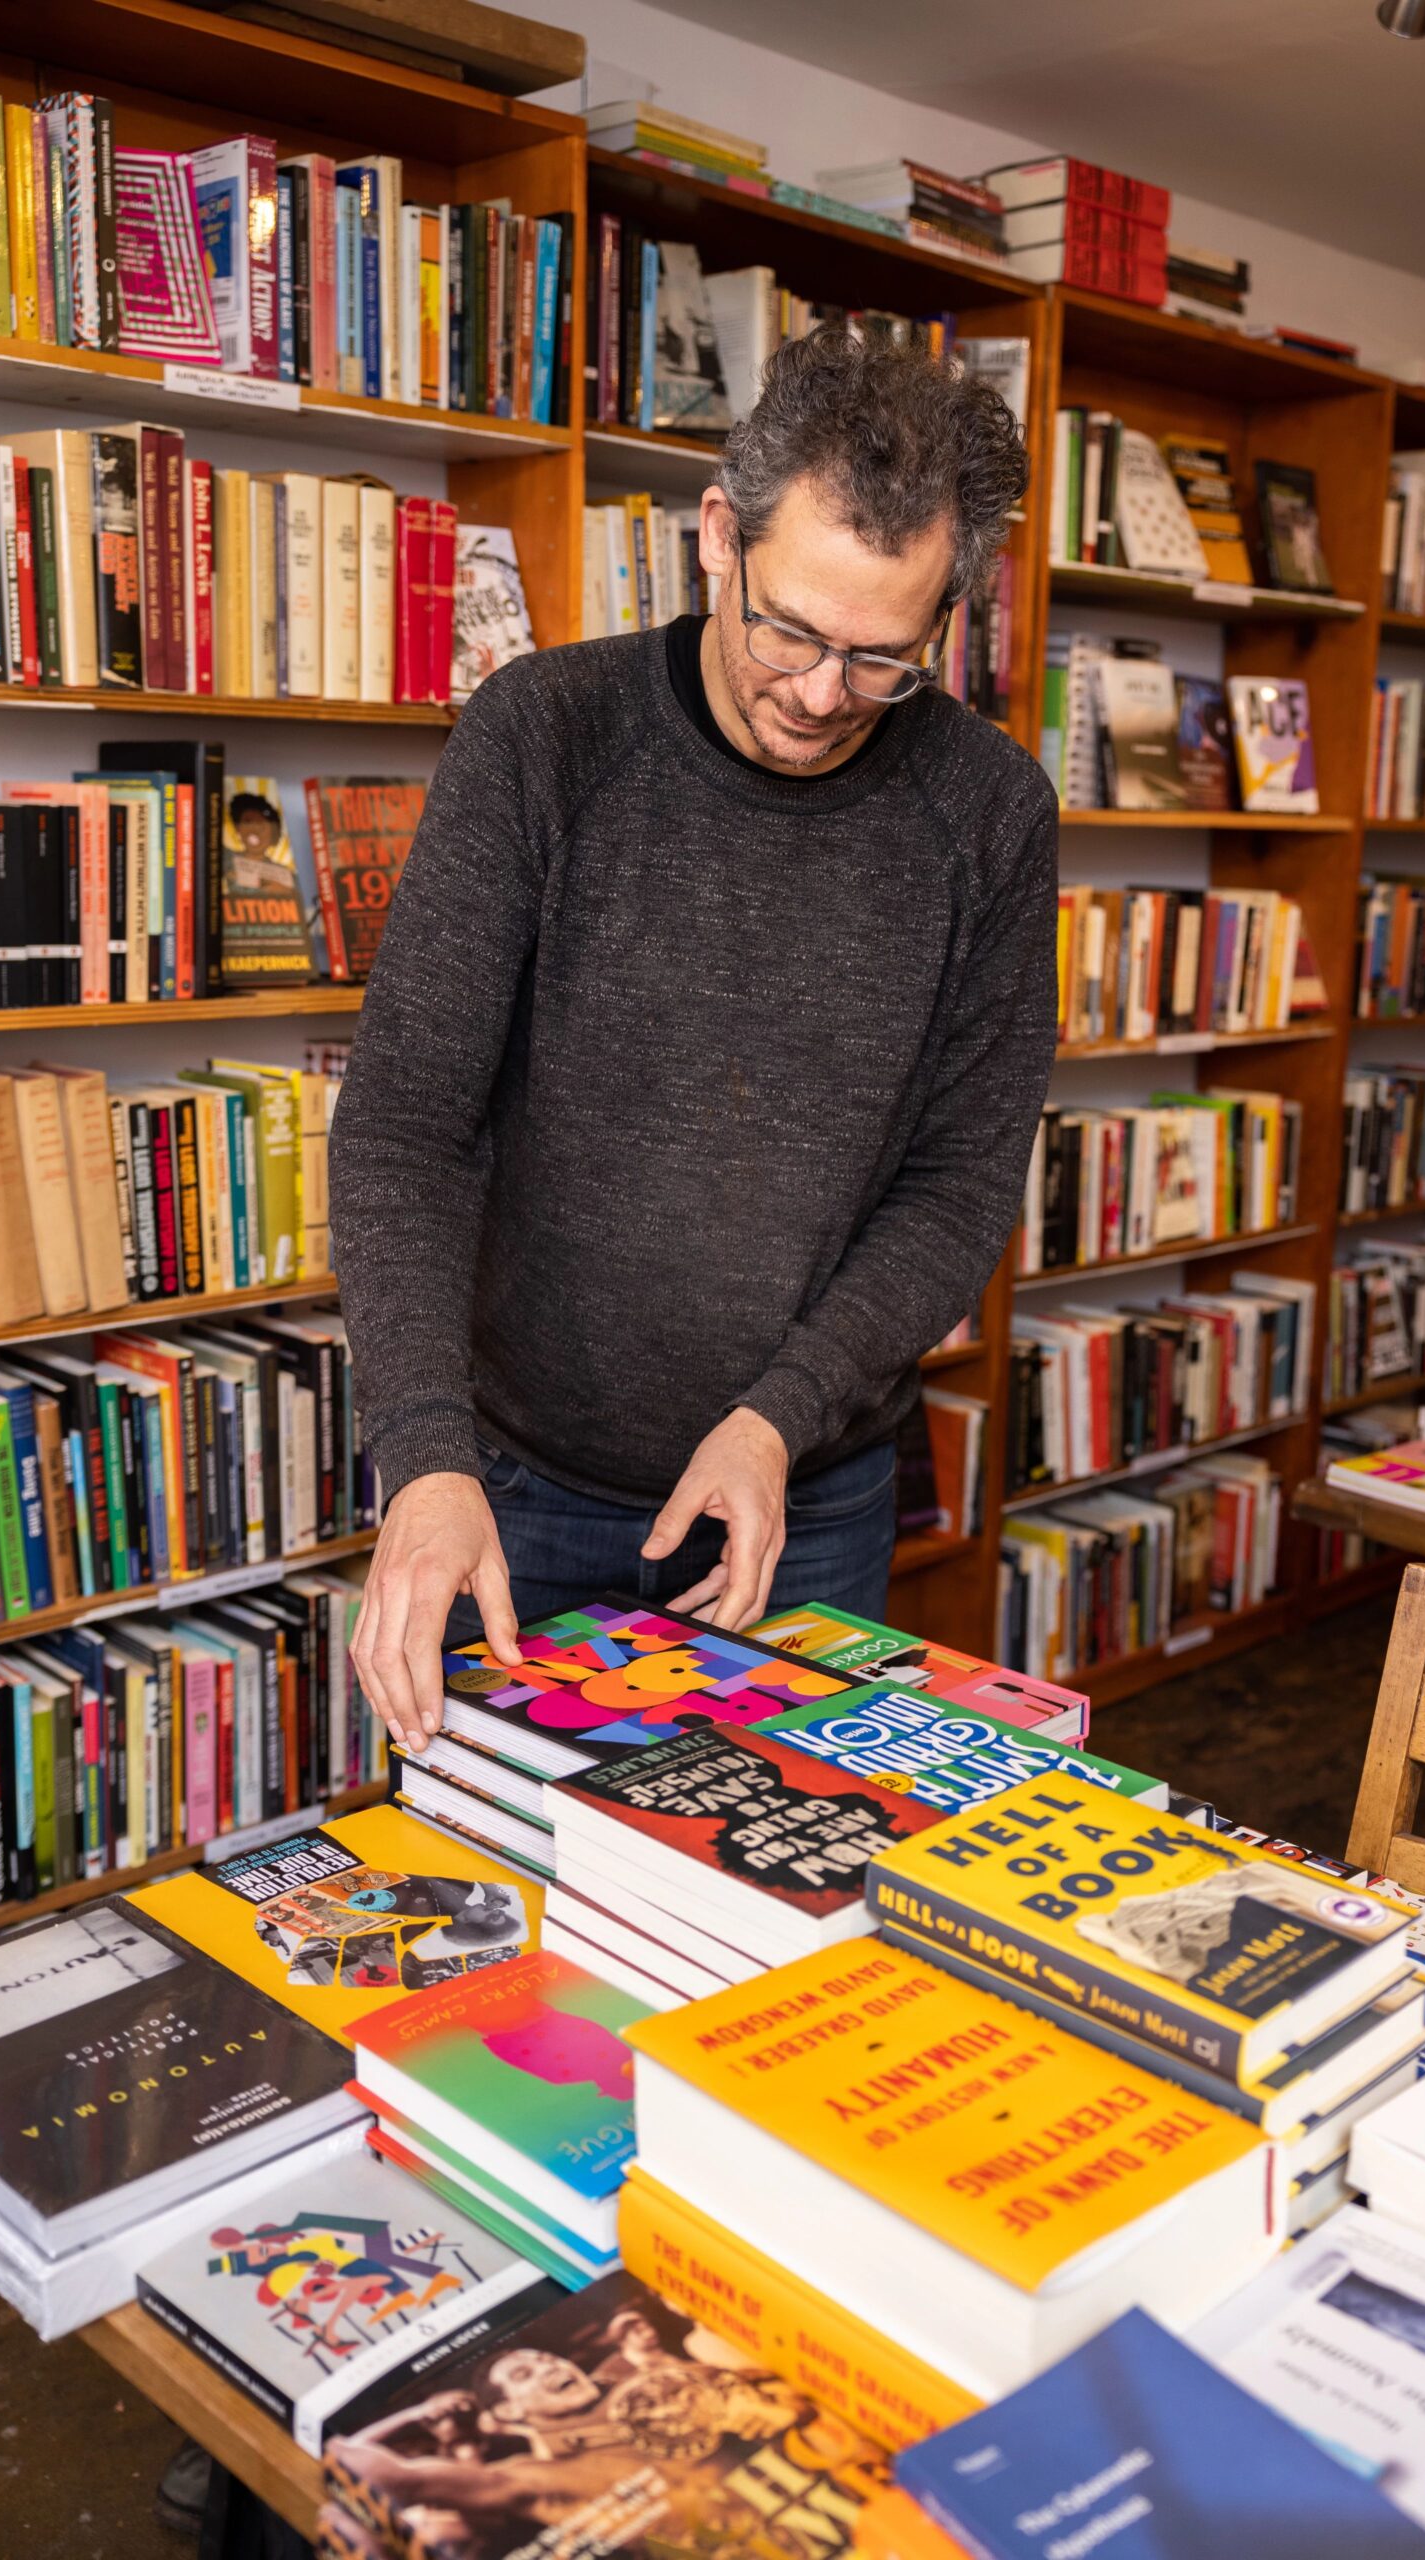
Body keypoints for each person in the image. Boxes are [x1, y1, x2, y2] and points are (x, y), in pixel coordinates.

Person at [330, 321, 1058, 1755]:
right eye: (788, 627)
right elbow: (411, 1122)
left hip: (808, 1498)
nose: (816, 694)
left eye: (880, 661)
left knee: (775, 1924)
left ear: (946, 621)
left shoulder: (991, 813)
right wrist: (422, 1454)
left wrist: (779, 1417)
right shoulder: (545, 735)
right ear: (719, 538)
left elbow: (962, 1182)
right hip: (512, 1493)